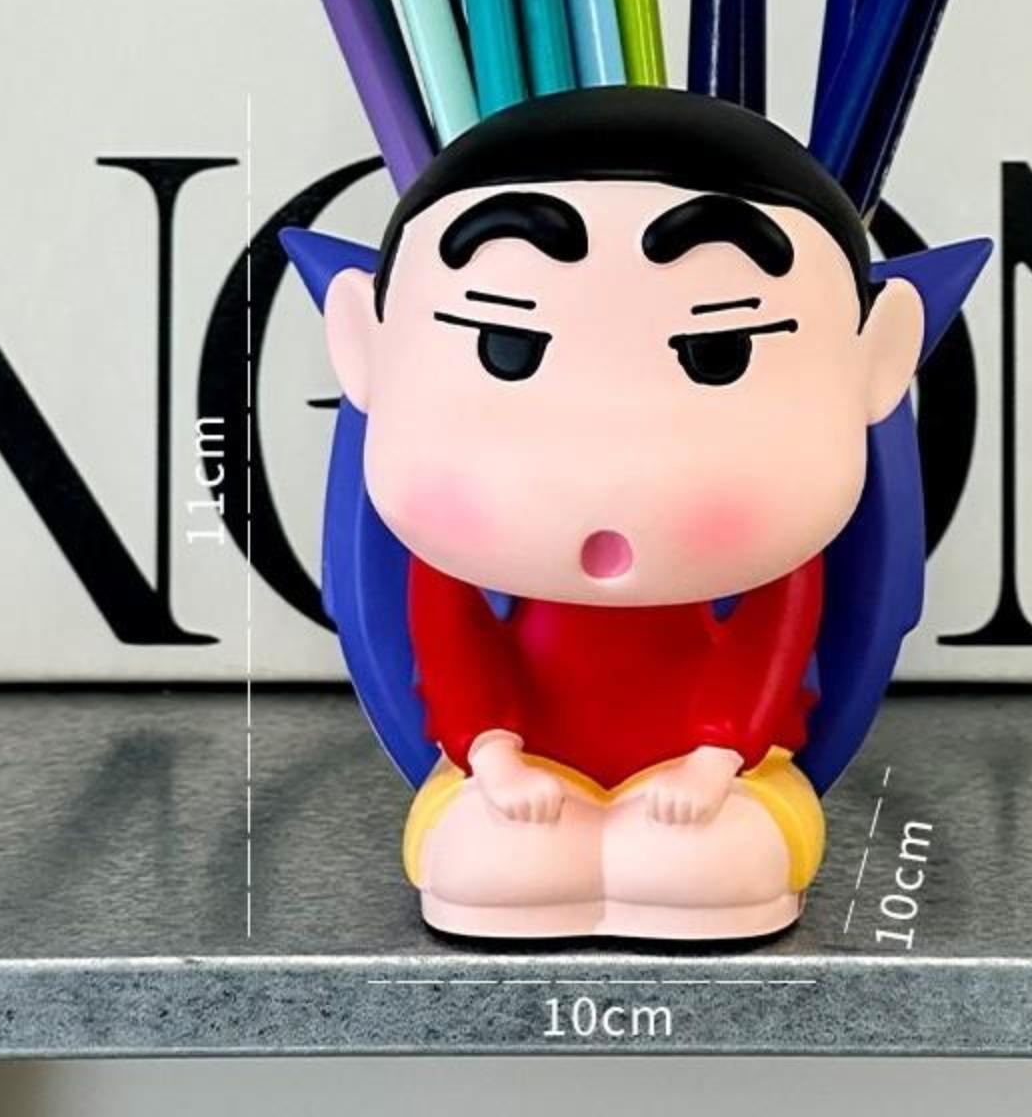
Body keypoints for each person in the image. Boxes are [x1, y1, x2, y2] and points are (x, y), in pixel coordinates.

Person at [320, 86, 925, 938]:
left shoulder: (783, 562)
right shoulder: (441, 558)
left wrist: (715, 760)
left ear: (878, 359)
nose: (608, 451)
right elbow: (454, 647)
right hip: (523, 767)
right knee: (492, 859)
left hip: (715, 776)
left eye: (719, 351)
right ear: (364, 346)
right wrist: (493, 756)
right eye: (505, 345)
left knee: (715, 862)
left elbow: (769, 647)